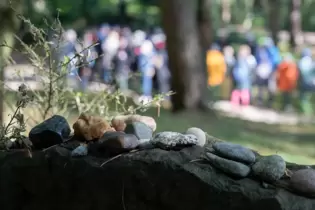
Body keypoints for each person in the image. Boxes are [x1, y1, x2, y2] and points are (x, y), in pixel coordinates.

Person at [138, 39, 156, 104]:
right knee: (145, 83)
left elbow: (153, 61)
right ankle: (146, 96)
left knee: (147, 83)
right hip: (145, 70)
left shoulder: (150, 53)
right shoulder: (144, 54)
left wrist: (152, 68)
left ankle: (147, 96)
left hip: (148, 70)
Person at [298, 48, 315, 115]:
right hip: (311, 82)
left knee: (304, 98)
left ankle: (306, 111)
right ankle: (308, 111)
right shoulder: (310, 61)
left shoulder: (302, 61)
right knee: (306, 98)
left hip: (305, 82)